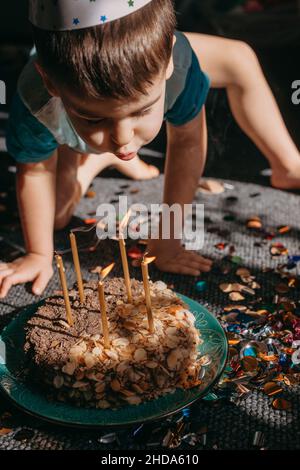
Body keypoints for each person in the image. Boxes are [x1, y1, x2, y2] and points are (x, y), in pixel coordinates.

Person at [1, 0, 299, 298]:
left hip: (139, 45)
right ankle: (91, 156)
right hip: (76, 67)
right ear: (49, 83)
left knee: (240, 58)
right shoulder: (36, 100)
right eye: (94, 118)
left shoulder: (181, 67)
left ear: (167, 61)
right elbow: (36, 172)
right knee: (54, 218)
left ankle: (287, 164)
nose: (122, 138)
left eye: (141, 111)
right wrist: (38, 254)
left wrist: (167, 238)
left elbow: (186, 143)